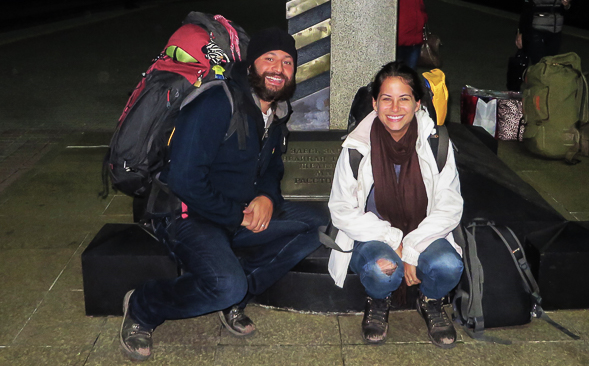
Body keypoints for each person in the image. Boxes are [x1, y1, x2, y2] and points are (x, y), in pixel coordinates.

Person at [120, 28, 325, 361]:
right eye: (269, 58)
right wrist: (236, 216)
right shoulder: (217, 101)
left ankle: (234, 297)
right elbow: (186, 180)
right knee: (226, 283)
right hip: (187, 216)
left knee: (316, 224)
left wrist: (267, 198)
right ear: (250, 66)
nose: (278, 68)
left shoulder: (274, 113)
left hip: (234, 211)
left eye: (287, 61)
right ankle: (144, 305)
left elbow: (272, 168)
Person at [327, 61, 463, 346]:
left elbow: (450, 205)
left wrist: (412, 247)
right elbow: (340, 209)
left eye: (404, 99)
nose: (395, 108)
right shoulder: (357, 146)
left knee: (449, 266)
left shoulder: (437, 143)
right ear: (375, 103)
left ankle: (431, 301)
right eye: (386, 99)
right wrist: (394, 241)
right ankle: (378, 301)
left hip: (425, 233)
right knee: (383, 268)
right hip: (373, 236)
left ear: (417, 103)